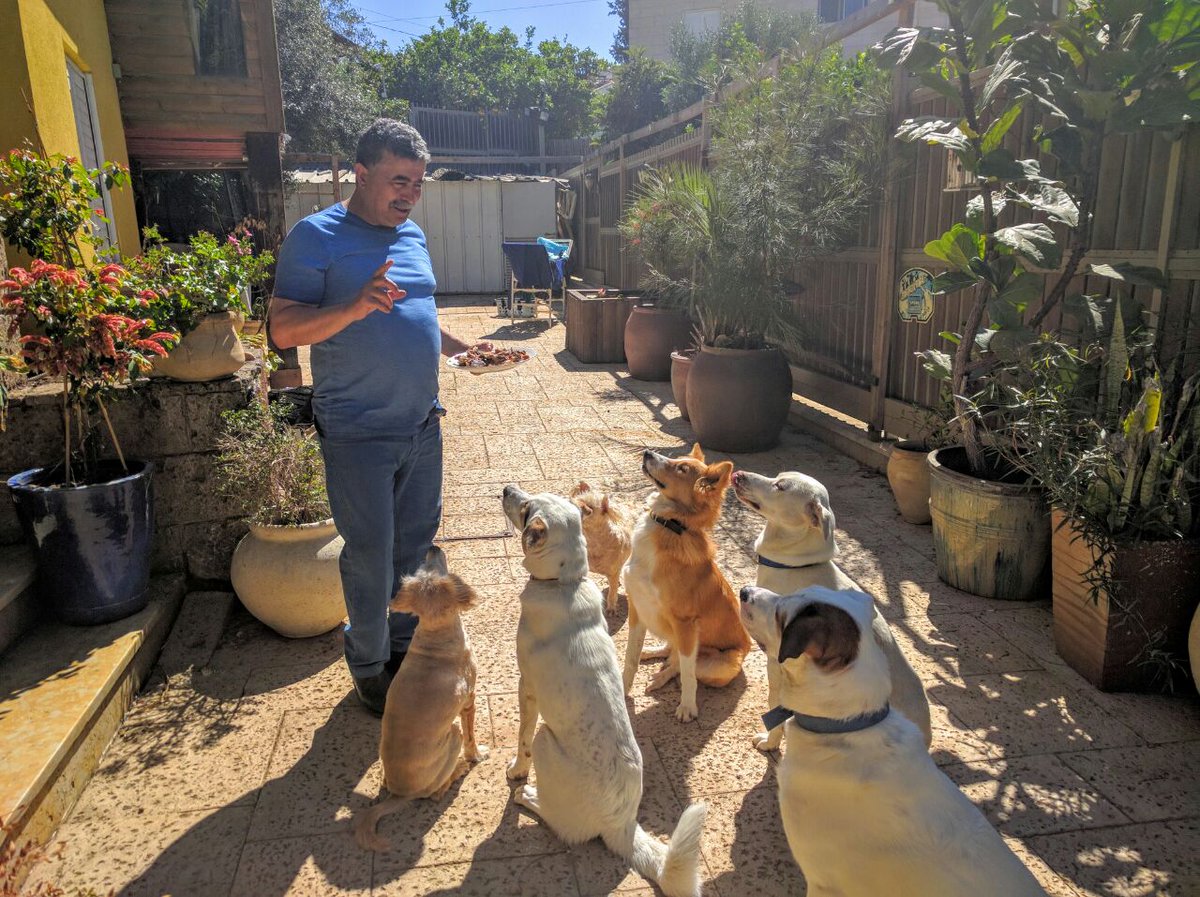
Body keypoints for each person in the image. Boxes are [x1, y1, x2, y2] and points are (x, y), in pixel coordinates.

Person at [269, 119, 492, 714]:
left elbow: (418, 312)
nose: (410, 194)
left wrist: (461, 349)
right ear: (362, 174)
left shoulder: (412, 235)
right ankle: (368, 664)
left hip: (422, 423)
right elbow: (283, 330)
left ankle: (401, 648)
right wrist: (354, 305)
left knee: (414, 548)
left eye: (418, 183)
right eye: (399, 181)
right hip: (357, 428)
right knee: (369, 554)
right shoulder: (315, 236)